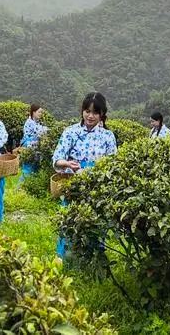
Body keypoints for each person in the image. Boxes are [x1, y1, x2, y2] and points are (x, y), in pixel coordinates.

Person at [52, 92, 117, 258]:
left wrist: (96, 172)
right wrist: (67, 164)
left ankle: (92, 260)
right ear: (82, 111)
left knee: (95, 223)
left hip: (97, 187)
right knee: (72, 222)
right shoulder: (70, 132)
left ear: (102, 114)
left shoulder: (108, 136)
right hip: (73, 185)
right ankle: (68, 260)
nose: (90, 116)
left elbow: (113, 165)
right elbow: (57, 158)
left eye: (95, 112)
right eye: (87, 111)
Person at [19, 103, 49, 182]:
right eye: (39, 112)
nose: (40, 114)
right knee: (28, 169)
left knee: (35, 169)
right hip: (29, 149)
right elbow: (41, 131)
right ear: (33, 112)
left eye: (41, 112)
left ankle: (31, 187)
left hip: (36, 149)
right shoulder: (29, 122)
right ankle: (19, 189)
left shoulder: (37, 122)